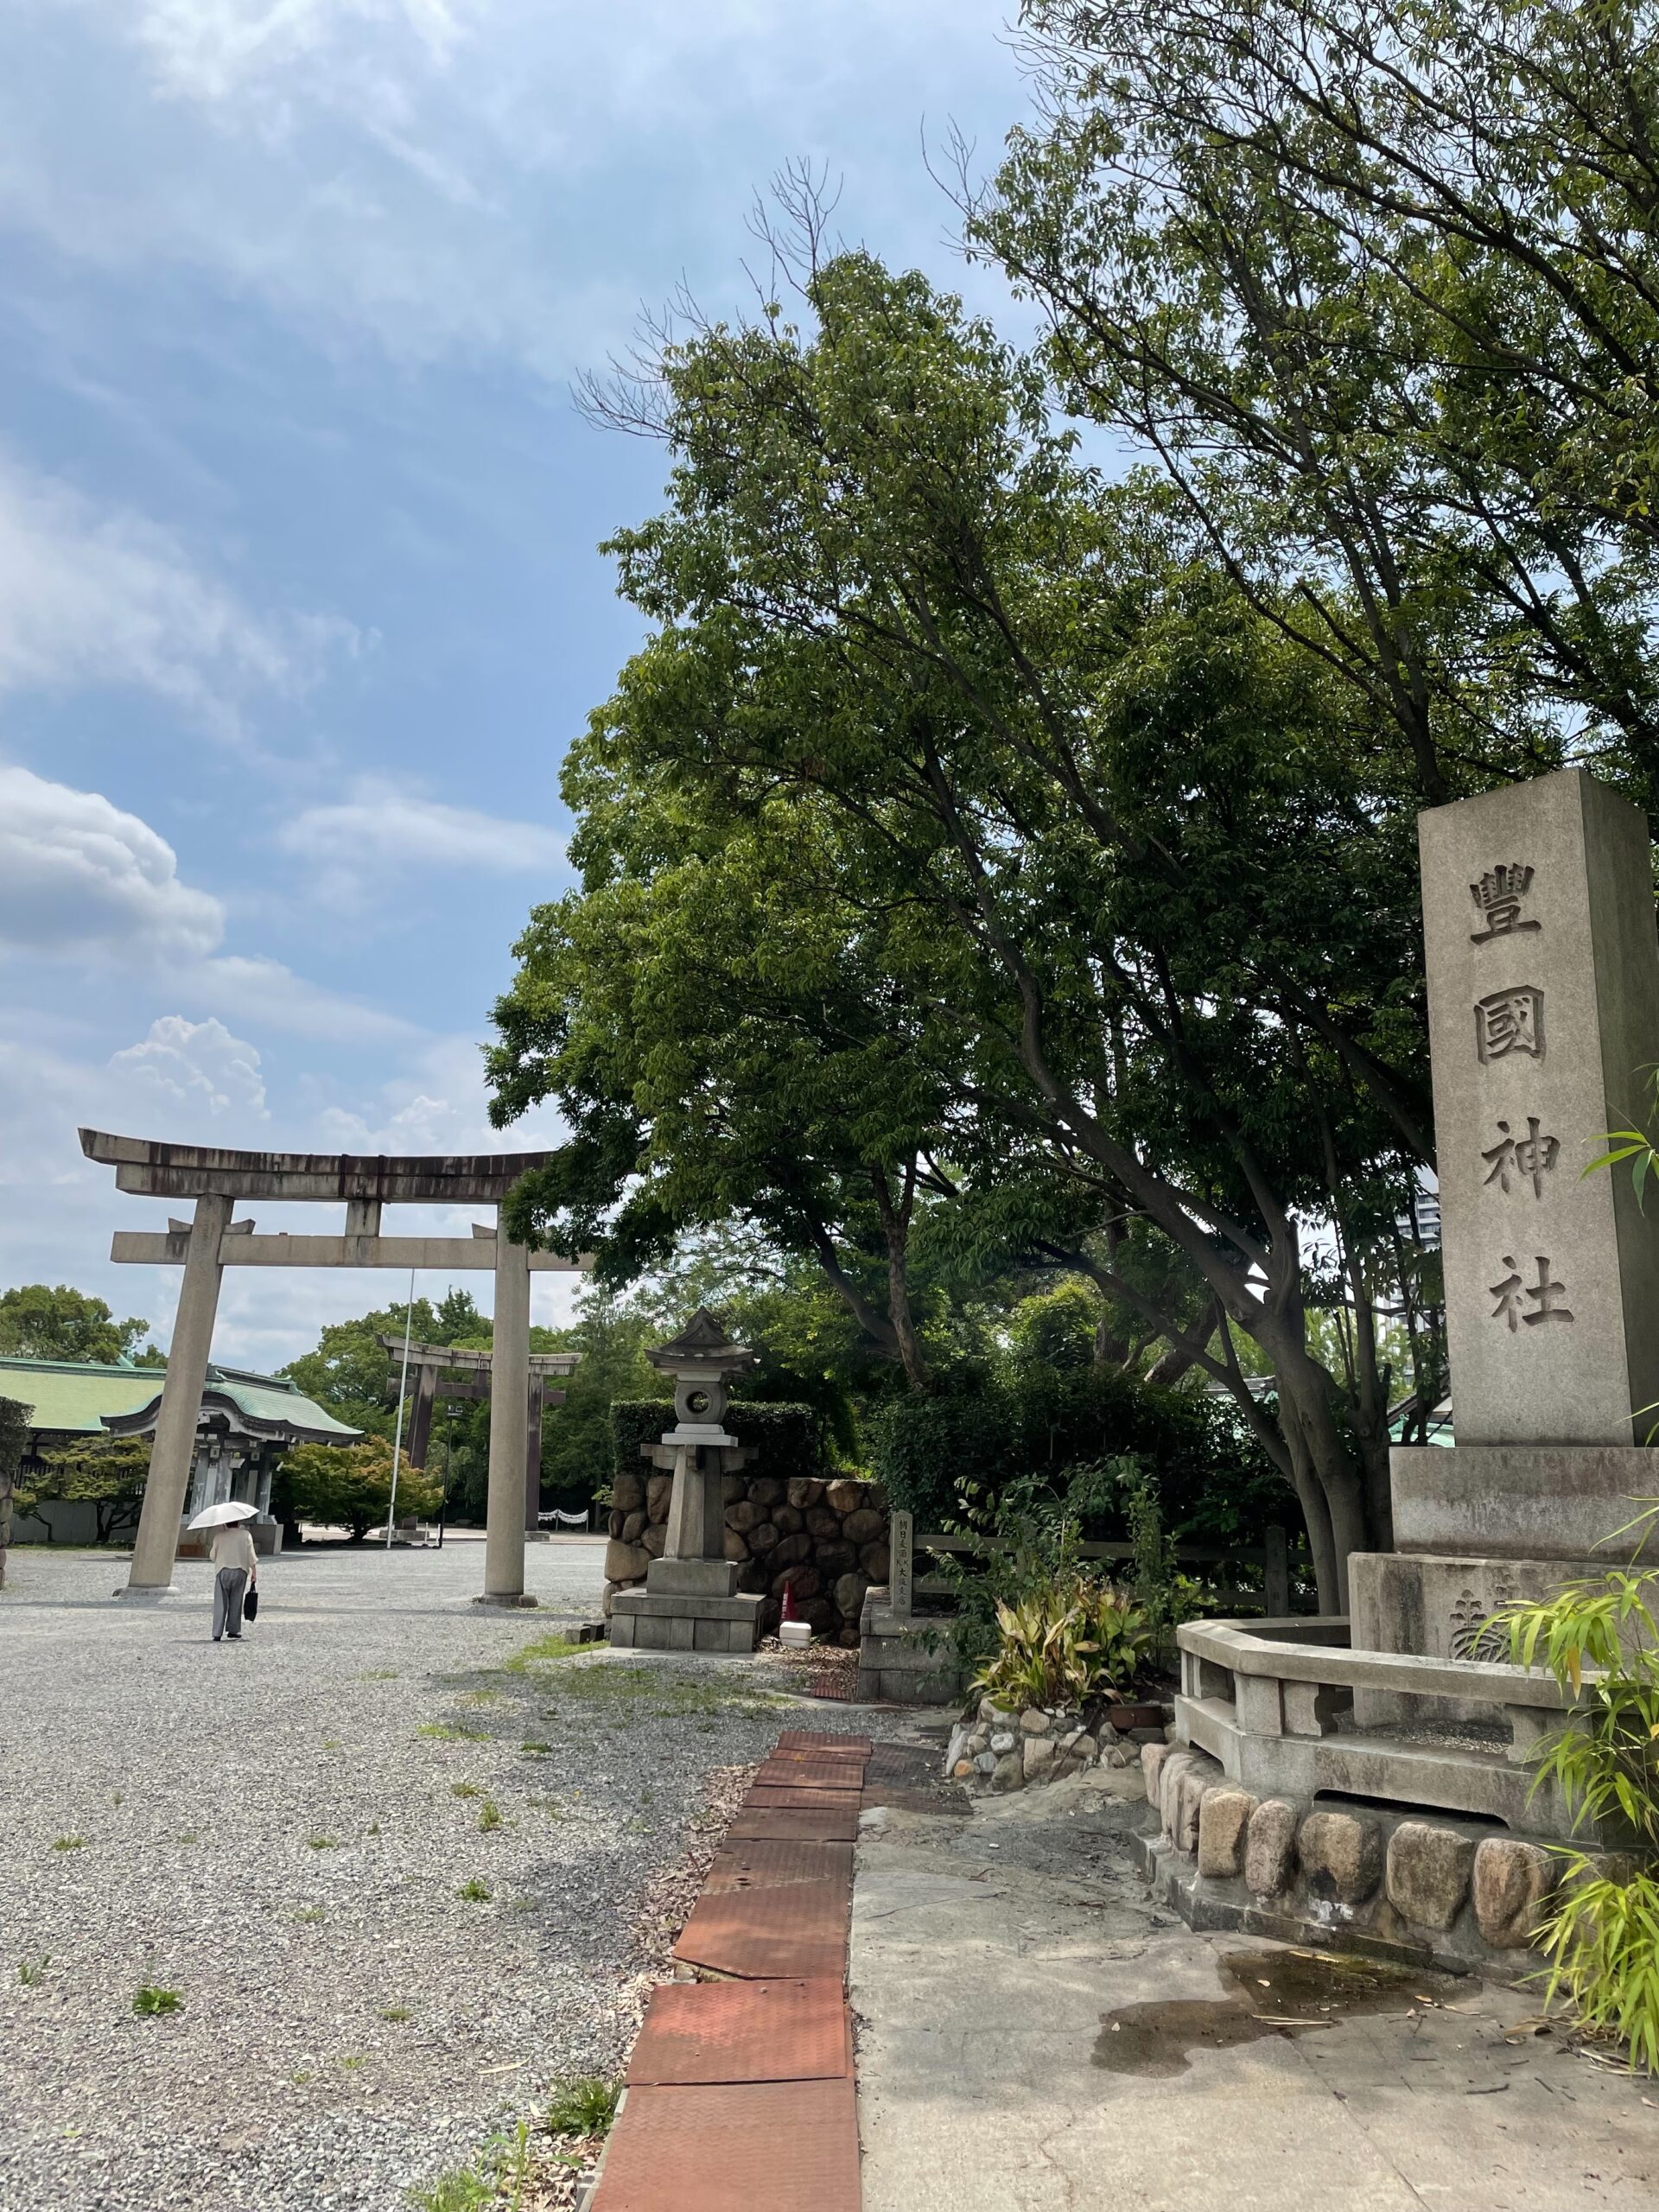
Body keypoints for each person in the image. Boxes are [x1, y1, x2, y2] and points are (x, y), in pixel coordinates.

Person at [209, 1519, 257, 1641]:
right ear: (238, 1522)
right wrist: (254, 1573)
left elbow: (212, 1556)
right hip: (240, 1570)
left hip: (223, 1569)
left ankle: (217, 1632)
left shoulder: (219, 1536)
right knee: (236, 1600)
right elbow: (251, 1555)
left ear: (225, 1522)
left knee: (220, 1602)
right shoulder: (245, 1535)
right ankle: (233, 1630)